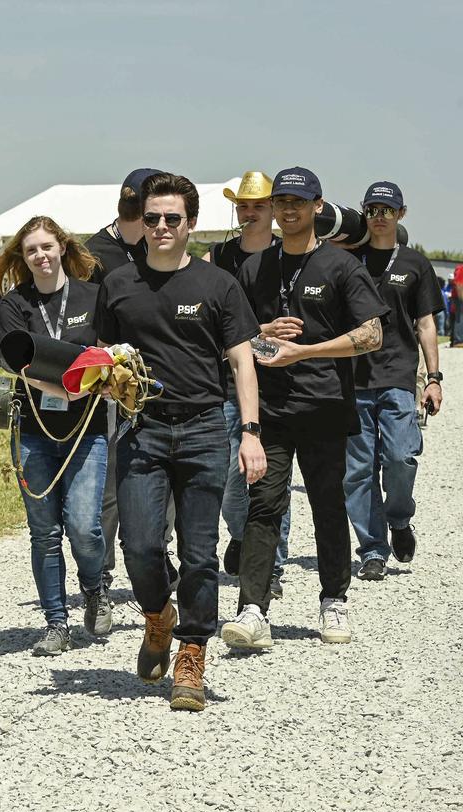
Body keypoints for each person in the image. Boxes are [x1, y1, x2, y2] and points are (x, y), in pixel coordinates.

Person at [94, 172, 265, 712]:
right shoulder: (119, 284)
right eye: (152, 219)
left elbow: (242, 360)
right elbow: (102, 355)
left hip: (203, 428)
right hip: (140, 428)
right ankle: (158, 616)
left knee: (199, 552)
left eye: (172, 218)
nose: (162, 227)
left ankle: (192, 651)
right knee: (140, 547)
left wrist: (251, 432)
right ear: (140, 223)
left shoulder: (219, 286)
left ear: (191, 223)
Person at [222, 167, 387, 651]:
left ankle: (333, 599)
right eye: (281, 201)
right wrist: (262, 335)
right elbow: (234, 339)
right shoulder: (254, 269)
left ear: (318, 206)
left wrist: (306, 351)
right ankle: (253, 610)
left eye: (298, 201)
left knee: (327, 505)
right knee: (264, 504)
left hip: (325, 407)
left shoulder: (341, 266)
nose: (288, 209)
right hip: (270, 409)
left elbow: (372, 334)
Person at [0, 216, 112, 655]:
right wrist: (59, 386)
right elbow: (11, 360)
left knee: (84, 527)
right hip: (33, 428)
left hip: (87, 428)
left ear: (62, 247)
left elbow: (108, 355)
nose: (40, 256)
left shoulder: (94, 296)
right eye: (30, 250)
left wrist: (80, 385)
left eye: (47, 246)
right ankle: (56, 622)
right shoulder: (13, 303)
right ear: (22, 258)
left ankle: (95, 586)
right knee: (44, 532)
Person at [342, 182, 445, 581]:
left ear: (401, 213)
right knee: (358, 470)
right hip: (352, 379)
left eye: (387, 209)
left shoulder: (416, 264)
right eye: (372, 209)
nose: (379, 216)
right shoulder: (348, 261)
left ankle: (399, 520)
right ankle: (372, 549)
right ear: (364, 213)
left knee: (400, 457)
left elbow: (425, 324)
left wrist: (434, 378)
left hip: (400, 376)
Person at [205, 172, 292, 598]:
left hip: (277, 383)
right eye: (243, 205)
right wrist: (259, 329)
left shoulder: (287, 254)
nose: (250, 212)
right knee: (229, 478)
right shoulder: (216, 257)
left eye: (258, 204)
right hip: (227, 380)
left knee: (270, 477)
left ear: (274, 209)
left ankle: (271, 562)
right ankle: (242, 537)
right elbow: (211, 327)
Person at [84, 168, 159, 591]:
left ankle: (156, 551)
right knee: (111, 481)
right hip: (114, 381)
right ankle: (104, 571)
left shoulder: (162, 246)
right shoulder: (96, 254)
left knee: (160, 475)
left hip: (159, 377)